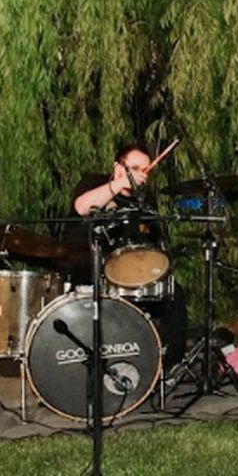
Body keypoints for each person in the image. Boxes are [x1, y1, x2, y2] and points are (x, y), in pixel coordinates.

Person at [69, 144, 187, 366]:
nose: (140, 174)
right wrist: (120, 183)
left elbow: (150, 244)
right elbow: (82, 207)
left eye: (145, 169)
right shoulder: (94, 182)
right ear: (118, 167)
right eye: (134, 168)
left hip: (130, 272)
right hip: (87, 267)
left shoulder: (144, 200)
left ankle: (167, 363)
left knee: (174, 292)